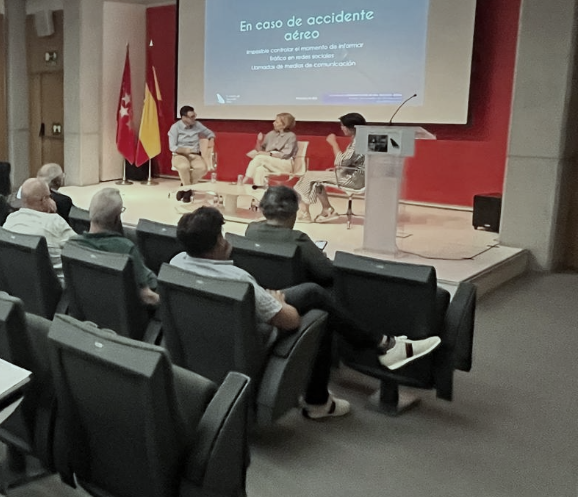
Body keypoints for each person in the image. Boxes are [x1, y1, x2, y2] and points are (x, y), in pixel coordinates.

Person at [170, 206, 441, 420]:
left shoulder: (177, 262)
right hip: (252, 337)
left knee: (312, 293)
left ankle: (384, 344)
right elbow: (290, 321)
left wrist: (270, 299)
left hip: (209, 334)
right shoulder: (239, 279)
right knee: (318, 314)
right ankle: (320, 399)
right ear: (218, 242)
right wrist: (277, 302)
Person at [69, 188, 159, 306]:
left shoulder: (72, 245)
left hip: (90, 309)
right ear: (117, 218)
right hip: (128, 312)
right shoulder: (125, 249)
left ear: (90, 211)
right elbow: (147, 297)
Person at [244, 186, 334, 286]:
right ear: (293, 212)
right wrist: (321, 256)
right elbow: (327, 272)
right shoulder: (298, 239)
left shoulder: (251, 230)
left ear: (263, 209)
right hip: (292, 291)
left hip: (259, 287)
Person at [293, 112, 367, 223]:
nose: (341, 128)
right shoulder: (363, 138)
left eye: (343, 126)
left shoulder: (358, 142)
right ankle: (327, 209)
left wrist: (333, 143)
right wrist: (338, 170)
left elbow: (341, 162)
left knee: (309, 176)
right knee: (316, 181)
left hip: (353, 179)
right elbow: (351, 163)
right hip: (353, 175)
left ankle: (304, 213)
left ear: (352, 127)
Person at [2, 178, 76, 282]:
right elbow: (80, 249)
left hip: (21, 282)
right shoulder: (55, 221)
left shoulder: (11, 219)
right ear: (44, 200)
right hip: (57, 285)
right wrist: (54, 213)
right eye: (49, 196)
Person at [244, 113, 299, 187]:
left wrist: (268, 154)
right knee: (260, 169)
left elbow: (285, 155)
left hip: (284, 163)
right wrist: (259, 141)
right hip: (270, 161)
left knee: (260, 158)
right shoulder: (271, 134)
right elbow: (260, 150)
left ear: (284, 125)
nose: (273, 123)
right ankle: (260, 190)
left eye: (277, 122)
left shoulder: (291, 136)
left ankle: (246, 180)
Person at [168, 106, 216, 187]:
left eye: (194, 115)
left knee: (202, 168)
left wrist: (211, 139)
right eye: (191, 117)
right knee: (184, 167)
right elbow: (172, 147)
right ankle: (188, 189)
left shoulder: (197, 125)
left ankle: (186, 186)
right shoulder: (175, 127)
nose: (194, 118)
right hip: (180, 155)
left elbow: (210, 133)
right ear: (184, 118)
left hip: (195, 155)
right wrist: (184, 150)